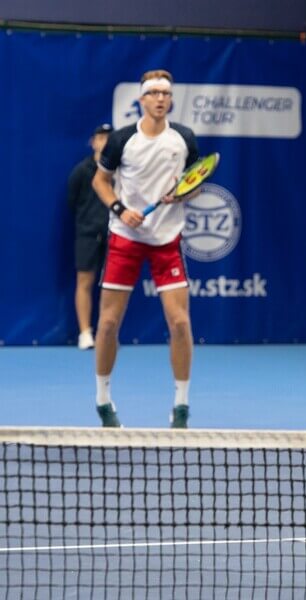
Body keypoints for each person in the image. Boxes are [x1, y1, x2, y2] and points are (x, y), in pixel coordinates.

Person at [91, 69, 200, 429]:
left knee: (180, 323)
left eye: (165, 93)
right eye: (152, 92)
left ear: (170, 99)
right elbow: (100, 181)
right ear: (141, 99)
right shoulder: (122, 140)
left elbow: (195, 183)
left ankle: (181, 405)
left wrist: (183, 193)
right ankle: (103, 398)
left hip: (167, 240)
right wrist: (121, 209)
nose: (159, 98)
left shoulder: (184, 138)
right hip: (125, 238)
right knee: (107, 324)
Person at [67, 123, 113, 349]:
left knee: (113, 285)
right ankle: (85, 333)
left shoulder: (121, 171)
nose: (104, 142)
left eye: (109, 138)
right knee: (84, 282)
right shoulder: (81, 171)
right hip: (87, 234)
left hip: (115, 234)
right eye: (100, 138)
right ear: (93, 142)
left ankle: (107, 332)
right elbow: (72, 201)